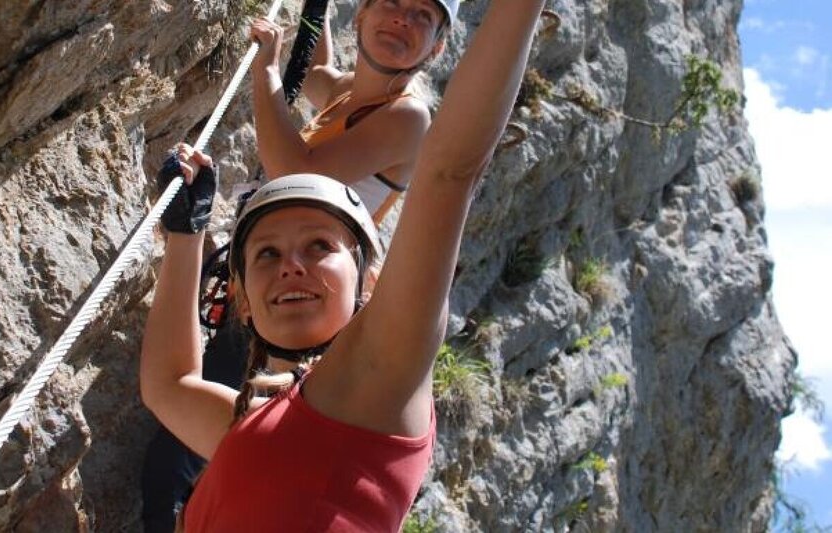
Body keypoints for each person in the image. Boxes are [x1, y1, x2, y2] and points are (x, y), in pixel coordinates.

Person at [141, 0, 544, 529]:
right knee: (163, 468)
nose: (290, 266)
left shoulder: (378, 386)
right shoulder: (260, 418)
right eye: (267, 254)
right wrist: (186, 235)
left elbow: (450, 171)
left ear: (369, 279)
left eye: (318, 249)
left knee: (171, 472)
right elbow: (169, 385)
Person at [250, 0, 458, 223]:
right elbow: (314, 73)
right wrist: (316, 7)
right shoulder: (349, 90)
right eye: (392, 2)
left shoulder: (409, 117)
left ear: (437, 47)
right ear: (361, 14)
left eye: (423, 15)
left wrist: (266, 70)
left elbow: (293, 175)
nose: (403, 19)